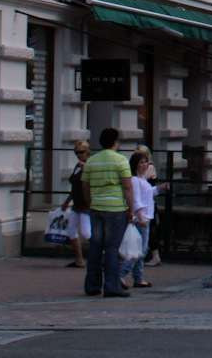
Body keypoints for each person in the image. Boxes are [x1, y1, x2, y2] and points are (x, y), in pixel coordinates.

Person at [80, 127, 133, 299]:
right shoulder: (121, 160)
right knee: (111, 248)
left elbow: (85, 186)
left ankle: (92, 285)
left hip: (96, 207)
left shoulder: (92, 161)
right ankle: (112, 287)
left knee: (96, 246)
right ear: (115, 142)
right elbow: (127, 186)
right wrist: (130, 209)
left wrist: (90, 203)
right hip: (116, 208)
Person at [124, 149, 161, 290]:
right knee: (139, 250)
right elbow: (136, 200)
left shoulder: (142, 180)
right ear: (135, 165)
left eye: (146, 162)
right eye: (141, 162)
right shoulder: (135, 180)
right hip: (142, 218)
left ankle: (138, 278)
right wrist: (140, 217)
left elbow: (148, 193)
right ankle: (122, 274)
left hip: (146, 216)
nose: (145, 165)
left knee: (142, 251)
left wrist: (159, 188)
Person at [62, 140, 92, 268]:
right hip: (77, 202)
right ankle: (79, 259)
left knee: (86, 232)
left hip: (86, 203)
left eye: (81, 152)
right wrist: (67, 202)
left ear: (87, 151)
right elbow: (75, 186)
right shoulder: (78, 166)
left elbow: (90, 184)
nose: (79, 155)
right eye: (77, 153)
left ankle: (103, 252)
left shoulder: (91, 164)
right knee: (71, 230)